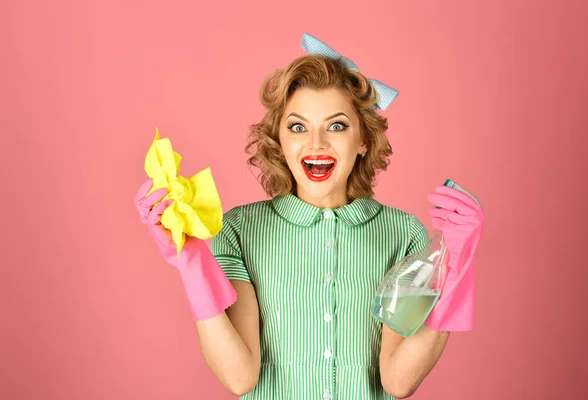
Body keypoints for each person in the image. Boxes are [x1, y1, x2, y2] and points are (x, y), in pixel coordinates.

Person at [135, 34, 485, 399]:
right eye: (298, 127)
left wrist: (456, 268)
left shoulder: (403, 233)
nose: (316, 143)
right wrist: (191, 263)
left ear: (363, 139)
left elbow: (398, 381)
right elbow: (239, 377)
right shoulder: (239, 229)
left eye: (336, 126)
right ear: (280, 140)